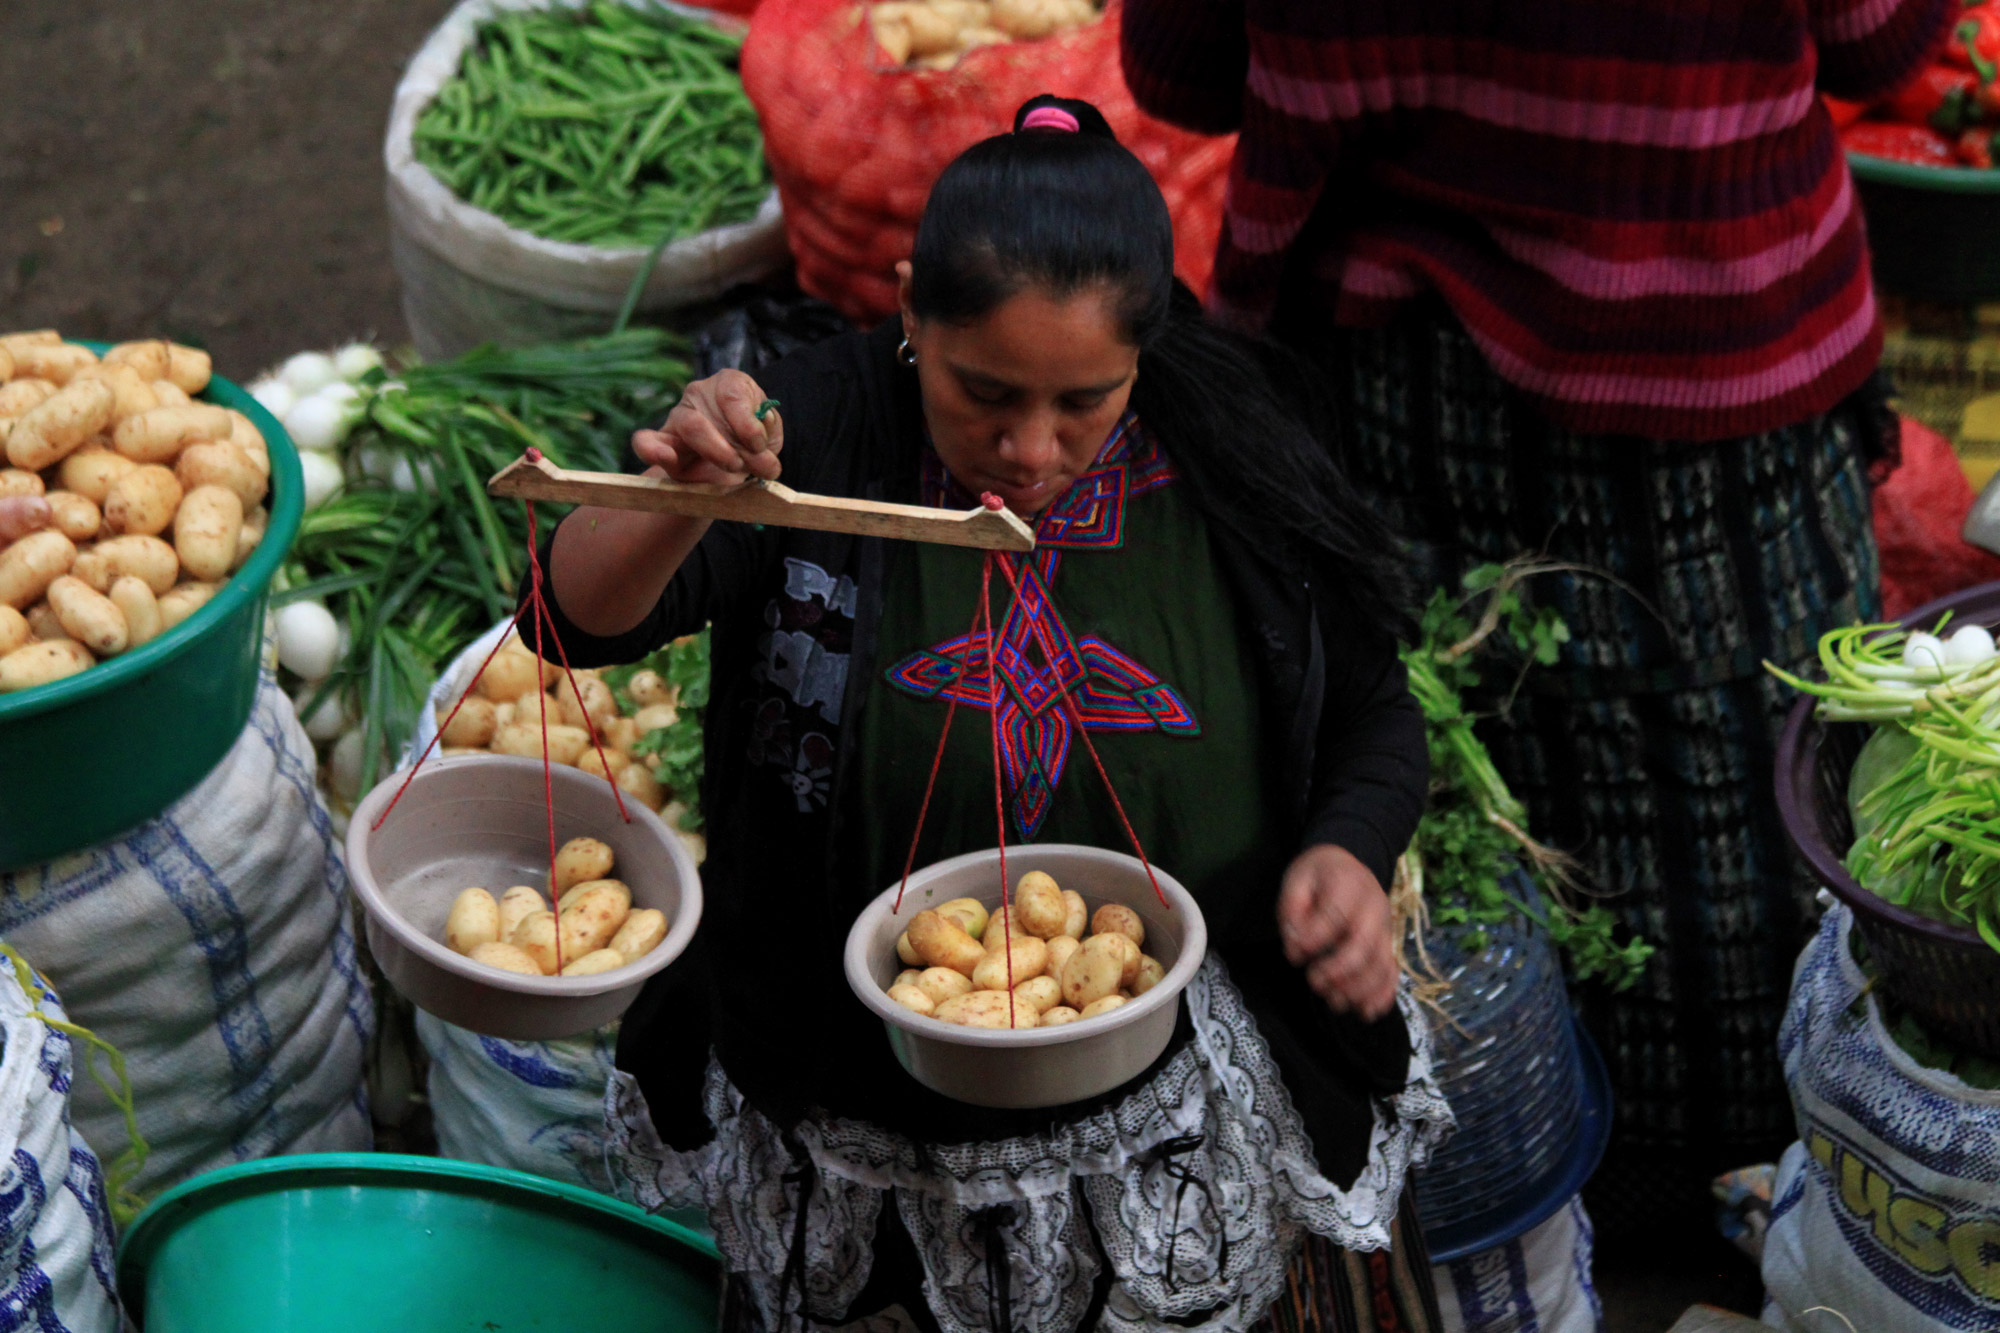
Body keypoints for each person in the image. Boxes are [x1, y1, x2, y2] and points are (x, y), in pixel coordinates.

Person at [538, 96, 1452, 1333]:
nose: (1030, 448)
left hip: (1175, 1092)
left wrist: (1345, 852)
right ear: (911, 307)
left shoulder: (1236, 455)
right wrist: (684, 495)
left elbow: (1373, 717)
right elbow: (570, 620)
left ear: (1147, 346)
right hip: (856, 1085)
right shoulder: (810, 430)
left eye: (1086, 400)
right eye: (984, 394)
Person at [1120, 0, 1951, 1237]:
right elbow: (1881, 45)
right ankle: (1735, 1203)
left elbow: (1181, 70)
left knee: (1454, 792)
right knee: (1733, 816)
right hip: (1709, 371)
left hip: (1399, 381)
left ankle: (1515, 1195)